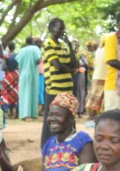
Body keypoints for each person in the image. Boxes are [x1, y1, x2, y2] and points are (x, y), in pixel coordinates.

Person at [42, 18, 77, 146]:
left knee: (68, 119)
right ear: (51, 29)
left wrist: (69, 45)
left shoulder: (63, 45)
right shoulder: (48, 44)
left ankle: (69, 146)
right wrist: (71, 70)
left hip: (67, 89)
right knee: (52, 121)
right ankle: (47, 147)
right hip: (54, 89)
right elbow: (57, 64)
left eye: (63, 28)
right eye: (59, 28)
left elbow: (74, 63)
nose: (62, 31)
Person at [17, 36, 42, 120]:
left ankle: (23, 114)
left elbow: (18, 61)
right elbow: (38, 61)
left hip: (23, 74)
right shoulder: (35, 49)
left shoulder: (21, 50)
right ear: (32, 41)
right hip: (32, 74)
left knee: (23, 94)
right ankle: (32, 114)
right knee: (32, 93)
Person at [86, 36, 107, 119]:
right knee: (100, 102)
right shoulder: (108, 50)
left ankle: (92, 119)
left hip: (96, 77)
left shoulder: (98, 51)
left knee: (93, 100)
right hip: (103, 77)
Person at [1, 41, 19, 118]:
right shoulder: (18, 55)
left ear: (8, 47)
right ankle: (16, 113)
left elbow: (2, 67)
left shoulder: (6, 56)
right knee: (16, 93)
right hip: (16, 75)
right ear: (14, 47)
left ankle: (10, 112)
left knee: (8, 93)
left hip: (8, 76)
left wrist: (8, 69)